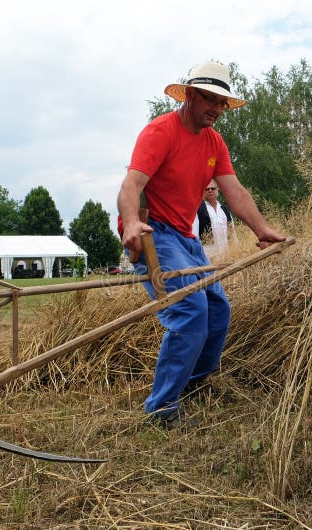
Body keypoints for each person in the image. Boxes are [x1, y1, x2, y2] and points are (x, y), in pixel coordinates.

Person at [117, 60, 286, 429]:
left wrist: (262, 229)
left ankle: (193, 385)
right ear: (190, 96)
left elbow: (234, 191)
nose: (216, 109)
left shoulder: (214, 142)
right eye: (210, 99)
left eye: (222, 103)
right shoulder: (160, 132)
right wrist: (130, 222)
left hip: (185, 236)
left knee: (218, 310)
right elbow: (131, 185)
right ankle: (161, 409)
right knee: (190, 312)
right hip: (153, 233)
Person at [192, 178, 237, 257]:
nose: (210, 190)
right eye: (207, 189)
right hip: (208, 258)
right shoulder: (197, 210)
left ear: (217, 190)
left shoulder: (224, 210)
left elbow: (232, 233)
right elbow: (194, 236)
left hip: (226, 256)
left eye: (212, 188)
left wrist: (235, 252)